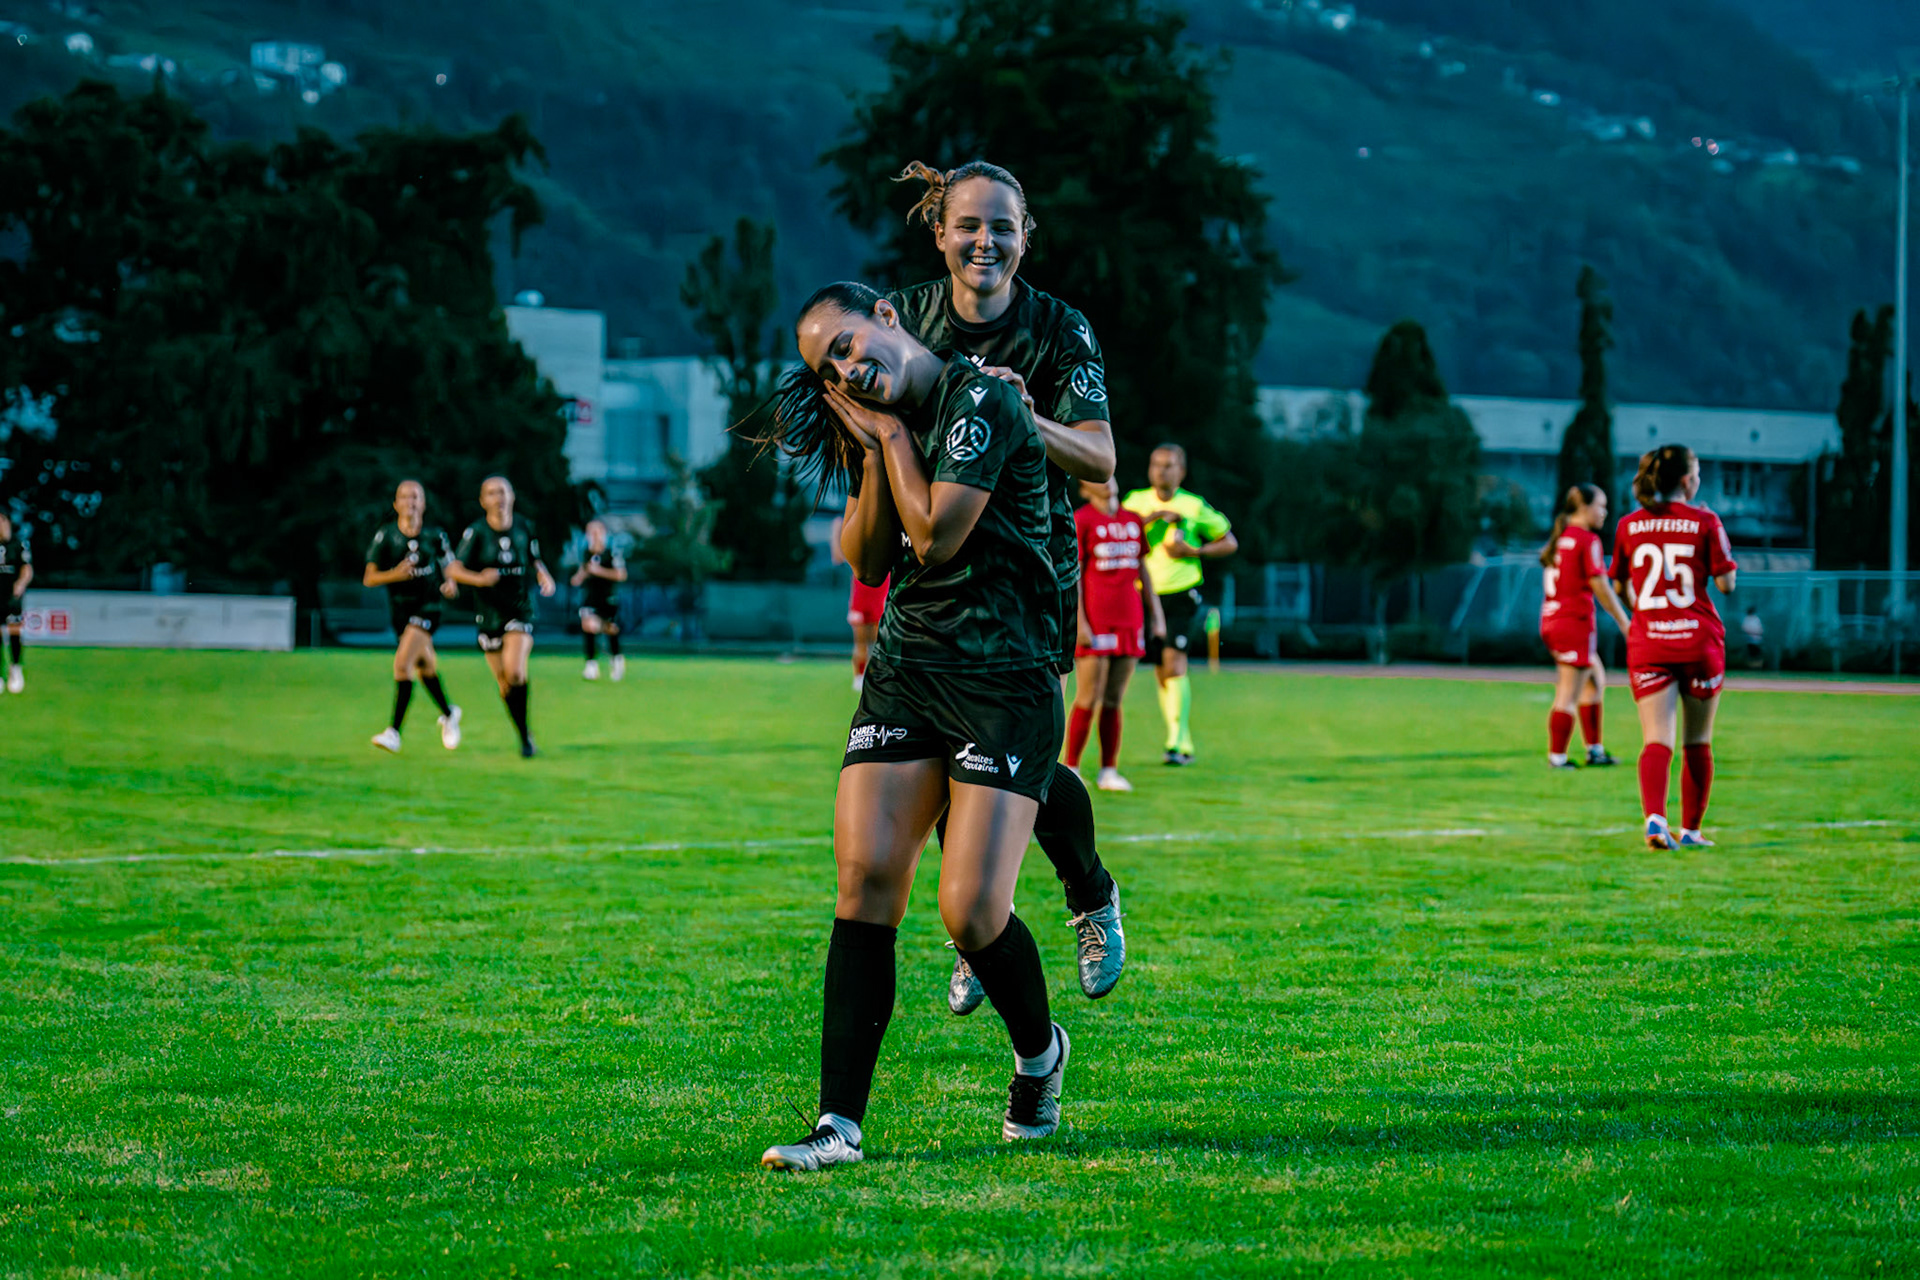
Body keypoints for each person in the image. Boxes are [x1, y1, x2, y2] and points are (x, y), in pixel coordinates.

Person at [758, 281, 1071, 1171]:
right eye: (834, 368)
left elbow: (934, 536)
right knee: (864, 884)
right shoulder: (878, 425)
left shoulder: (982, 398)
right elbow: (867, 554)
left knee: (972, 912)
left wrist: (891, 437)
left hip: (1004, 675)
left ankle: (1039, 1055)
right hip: (908, 671)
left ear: (887, 318)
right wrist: (866, 456)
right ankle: (839, 1128)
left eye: (853, 345)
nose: (853, 370)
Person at [886, 159, 1126, 1010]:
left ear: (1026, 237)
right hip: (933, 571)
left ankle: (1083, 894)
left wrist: (1026, 417)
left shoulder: (1061, 329)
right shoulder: (904, 318)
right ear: (939, 230)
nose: (984, 240)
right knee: (955, 751)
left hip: (1027, 577)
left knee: (1015, 755)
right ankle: (980, 923)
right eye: (968, 224)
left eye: (1001, 226)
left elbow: (1100, 460)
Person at [1611, 445, 1738, 850]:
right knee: (1697, 740)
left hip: (1650, 642)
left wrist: (1652, 611)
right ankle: (1692, 830)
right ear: (1687, 480)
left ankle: (1654, 819)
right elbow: (1726, 584)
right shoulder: (1704, 520)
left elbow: (1621, 585)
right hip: (1698, 641)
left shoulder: (1629, 525)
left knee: (1656, 739)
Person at [1122, 444, 1238, 765]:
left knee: (1174, 664)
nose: (1162, 471)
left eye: (1169, 465)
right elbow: (1121, 530)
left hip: (1180, 592)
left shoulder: (1193, 505)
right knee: (1158, 670)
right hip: (1142, 593)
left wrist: (1194, 551)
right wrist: (1154, 519)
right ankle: (1172, 738)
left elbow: (1229, 541)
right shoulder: (1135, 501)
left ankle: (1178, 741)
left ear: (1181, 471)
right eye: (1157, 464)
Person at [1067, 477, 1165, 792]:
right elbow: (1075, 575)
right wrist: (1080, 621)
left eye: (1109, 475)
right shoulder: (1082, 519)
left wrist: (1157, 615)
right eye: (1095, 478)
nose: (1106, 481)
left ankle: (1109, 770)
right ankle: (1071, 768)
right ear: (1084, 488)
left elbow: (1143, 569)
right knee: (1088, 695)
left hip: (1129, 618)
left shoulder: (1133, 520)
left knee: (1114, 698)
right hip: (1096, 619)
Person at [446, 476, 555, 758]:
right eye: (492, 493)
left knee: (516, 671)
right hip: (488, 614)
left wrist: (544, 575)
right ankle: (524, 734)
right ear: (483, 501)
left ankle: (525, 740)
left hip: (519, 609)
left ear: (512, 496)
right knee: (505, 683)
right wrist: (479, 579)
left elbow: (534, 559)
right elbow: (454, 569)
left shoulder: (524, 527)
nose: (499, 497)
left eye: (503, 491)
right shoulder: (477, 533)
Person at [363, 480, 463, 753]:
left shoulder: (435, 535)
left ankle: (394, 733)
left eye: (415, 497)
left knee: (402, 664)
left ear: (423, 503)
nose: (410, 501)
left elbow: (450, 566)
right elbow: (369, 578)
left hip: (428, 609)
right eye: (404, 497)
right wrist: (395, 574)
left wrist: (451, 583)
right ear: (396, 504)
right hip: (400, 612)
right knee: (425, 668)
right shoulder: (386, 536)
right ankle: (449, 713)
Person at [1538, 484, 1632, 768]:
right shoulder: (1587, 539)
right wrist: (1624, 620)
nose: (1604, 511)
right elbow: (1599, 584)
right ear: (1584, 508)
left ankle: (1595, 750)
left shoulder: (1562, 537)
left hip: (1554, 619)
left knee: (1594, 680)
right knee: (1568, 692)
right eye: (1601, 506)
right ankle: (1558, 757)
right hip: (1572, 623)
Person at [570, 519, 628, 683]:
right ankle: (591, 666)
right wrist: (579, 577)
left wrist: (599, 571)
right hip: (591, 597)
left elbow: (621, 575)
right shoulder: (586, 553)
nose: (594, 536)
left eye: (597, 532)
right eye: (590, 532)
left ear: (603, 533)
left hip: (608, 597)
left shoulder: (612, 552)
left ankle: (617, 659)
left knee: (610, 629)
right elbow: (582, 572)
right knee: (588, 625)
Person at [0, 513, 32, 695]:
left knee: (14, 630)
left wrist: (20, 584)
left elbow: (26, 568)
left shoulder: (18, 545)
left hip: (11, 596)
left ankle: (15, 669)